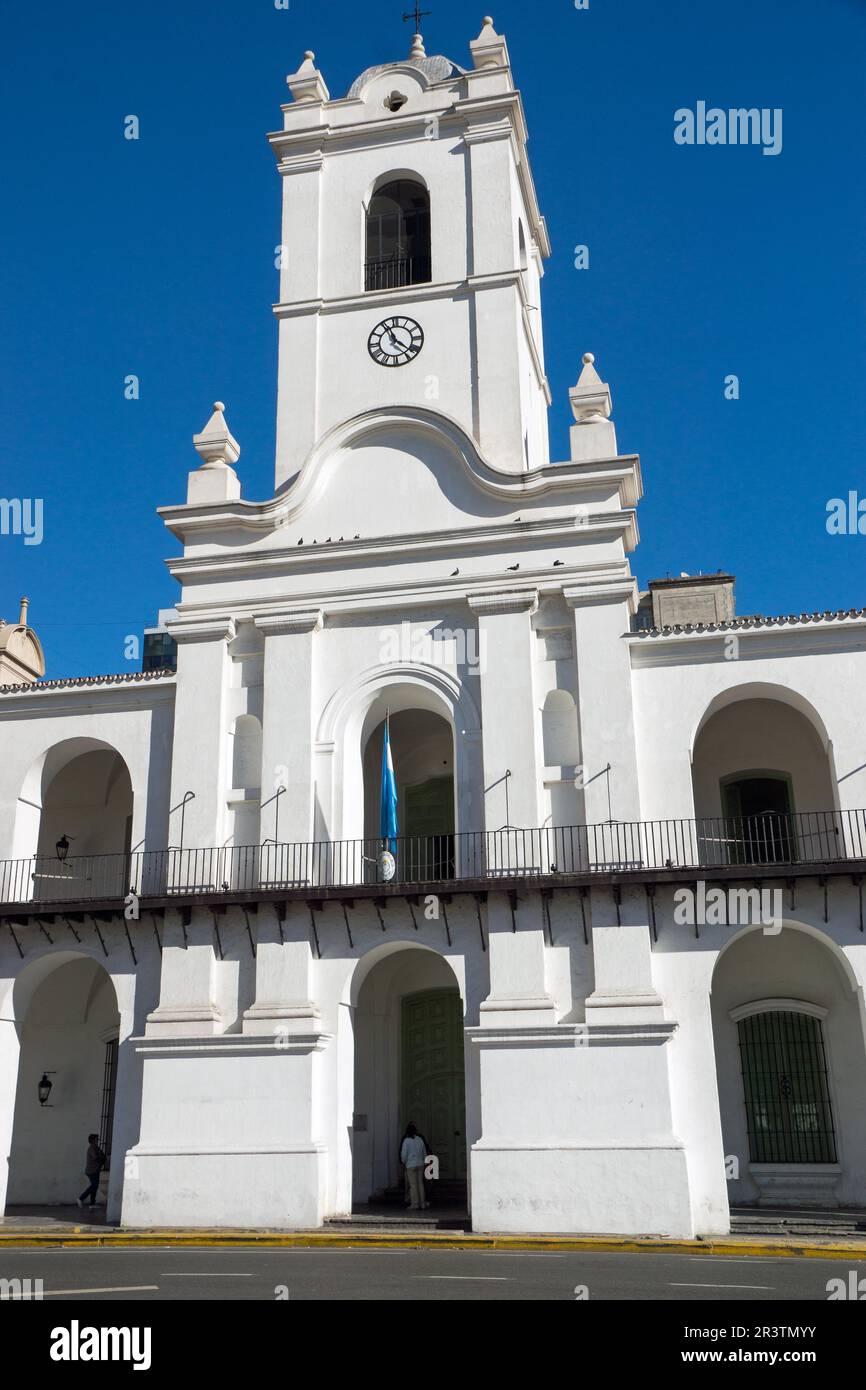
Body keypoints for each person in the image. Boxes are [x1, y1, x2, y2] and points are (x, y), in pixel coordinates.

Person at [399, 1122, 429, 1210]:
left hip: (411, 1165)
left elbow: (404, 1154)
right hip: (420, 1164)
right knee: (420, 1184)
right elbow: (424, 1152)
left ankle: (415, 1203)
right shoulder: (420, 1139)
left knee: (413, 1185)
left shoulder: (406, 1141)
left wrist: (403, 1162)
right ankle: (422, 1203)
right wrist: (425, 1161)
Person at [77, 1133, 105, 1210]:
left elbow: (102, 1156)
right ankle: (81, 1198)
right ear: (93, 1140)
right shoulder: (92, 1148)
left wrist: (102, 1158)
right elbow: (97, 1158)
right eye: (96, 1139)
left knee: (95, 1186)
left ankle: (92, 1203)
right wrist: (102, 1159)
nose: (97, 1141)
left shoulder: (96, 1148)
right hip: (91, 1171)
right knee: (94, 1186)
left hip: (96, 1170)